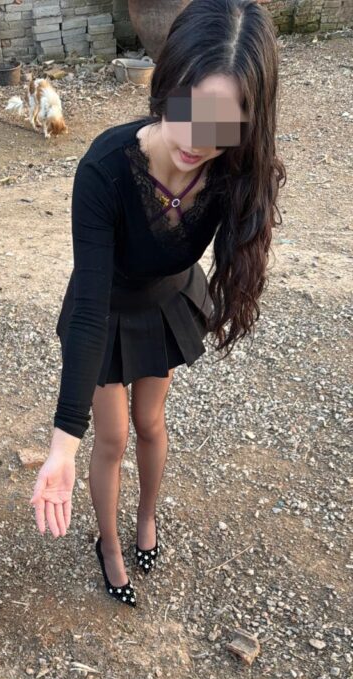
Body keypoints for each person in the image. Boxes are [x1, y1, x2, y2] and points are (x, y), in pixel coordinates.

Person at [30, 0, 286, 608]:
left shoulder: (235, 167)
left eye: (224, 123)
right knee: (111, 437)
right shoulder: (105, 168)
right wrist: (61, 446)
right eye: (191, 110)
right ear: (167, 82)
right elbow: (88, 303)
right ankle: (109, 543)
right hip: (108, 309)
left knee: (151, 423)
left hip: (167, 303)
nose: (200, 140)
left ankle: (146, 518)